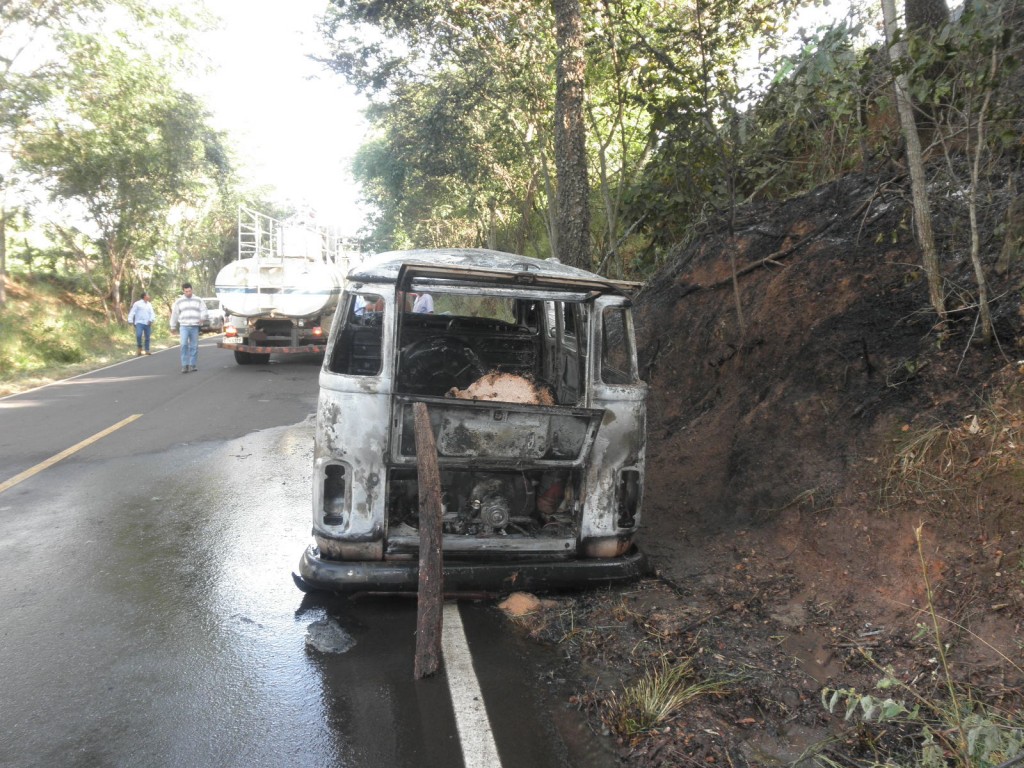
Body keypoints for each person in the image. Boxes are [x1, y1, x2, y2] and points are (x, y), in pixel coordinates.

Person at [169, 282, 208, 373]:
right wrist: (173, 326)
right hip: (184, 326)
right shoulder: (179, 301)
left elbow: (204, 310)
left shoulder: (198, 300)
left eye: (189, 291)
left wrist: (202, 318)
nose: (188, 293)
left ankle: (193, 364)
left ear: (192, 290)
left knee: (194, 346)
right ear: (183, 291)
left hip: (195, 326)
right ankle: (184, 365)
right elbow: (175, 314)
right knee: (183, 345)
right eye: (186, 291)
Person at [127, 292, 155, 356]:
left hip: (147, 323)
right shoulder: (137, 303)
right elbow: (132, 312)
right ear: (144, 296)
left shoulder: (149, 304)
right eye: (148, 295)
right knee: (138, 335)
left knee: (147, 337)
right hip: (139, 322)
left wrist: (151, 320)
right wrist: (130, 320)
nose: (149, 296)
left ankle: (147, 350)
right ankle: (139, 347)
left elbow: (152, 313)